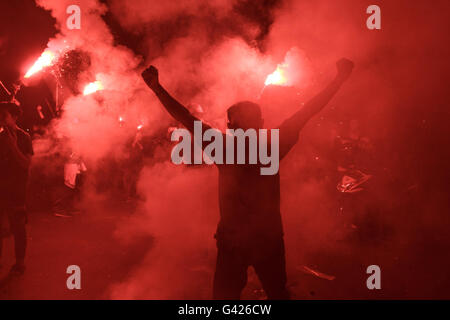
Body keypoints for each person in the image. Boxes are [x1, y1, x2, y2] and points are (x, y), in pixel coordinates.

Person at [141, 58, 354, 299]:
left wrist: (157, 88)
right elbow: (309, 110)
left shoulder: (222, 146)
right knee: (276, 294)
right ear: (261, 123)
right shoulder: (272, 144)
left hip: (234, 240)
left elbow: (185, 117)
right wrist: (339, 79)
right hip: (267, 238)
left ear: (230, 126)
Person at [0, 101, 33, 275]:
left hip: (16, 191)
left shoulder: (23, 138)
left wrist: (12, 146)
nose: (0, 120)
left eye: (3, 116)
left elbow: (25, 164)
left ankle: (20, 262)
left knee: (18, 227)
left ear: (14, 117)